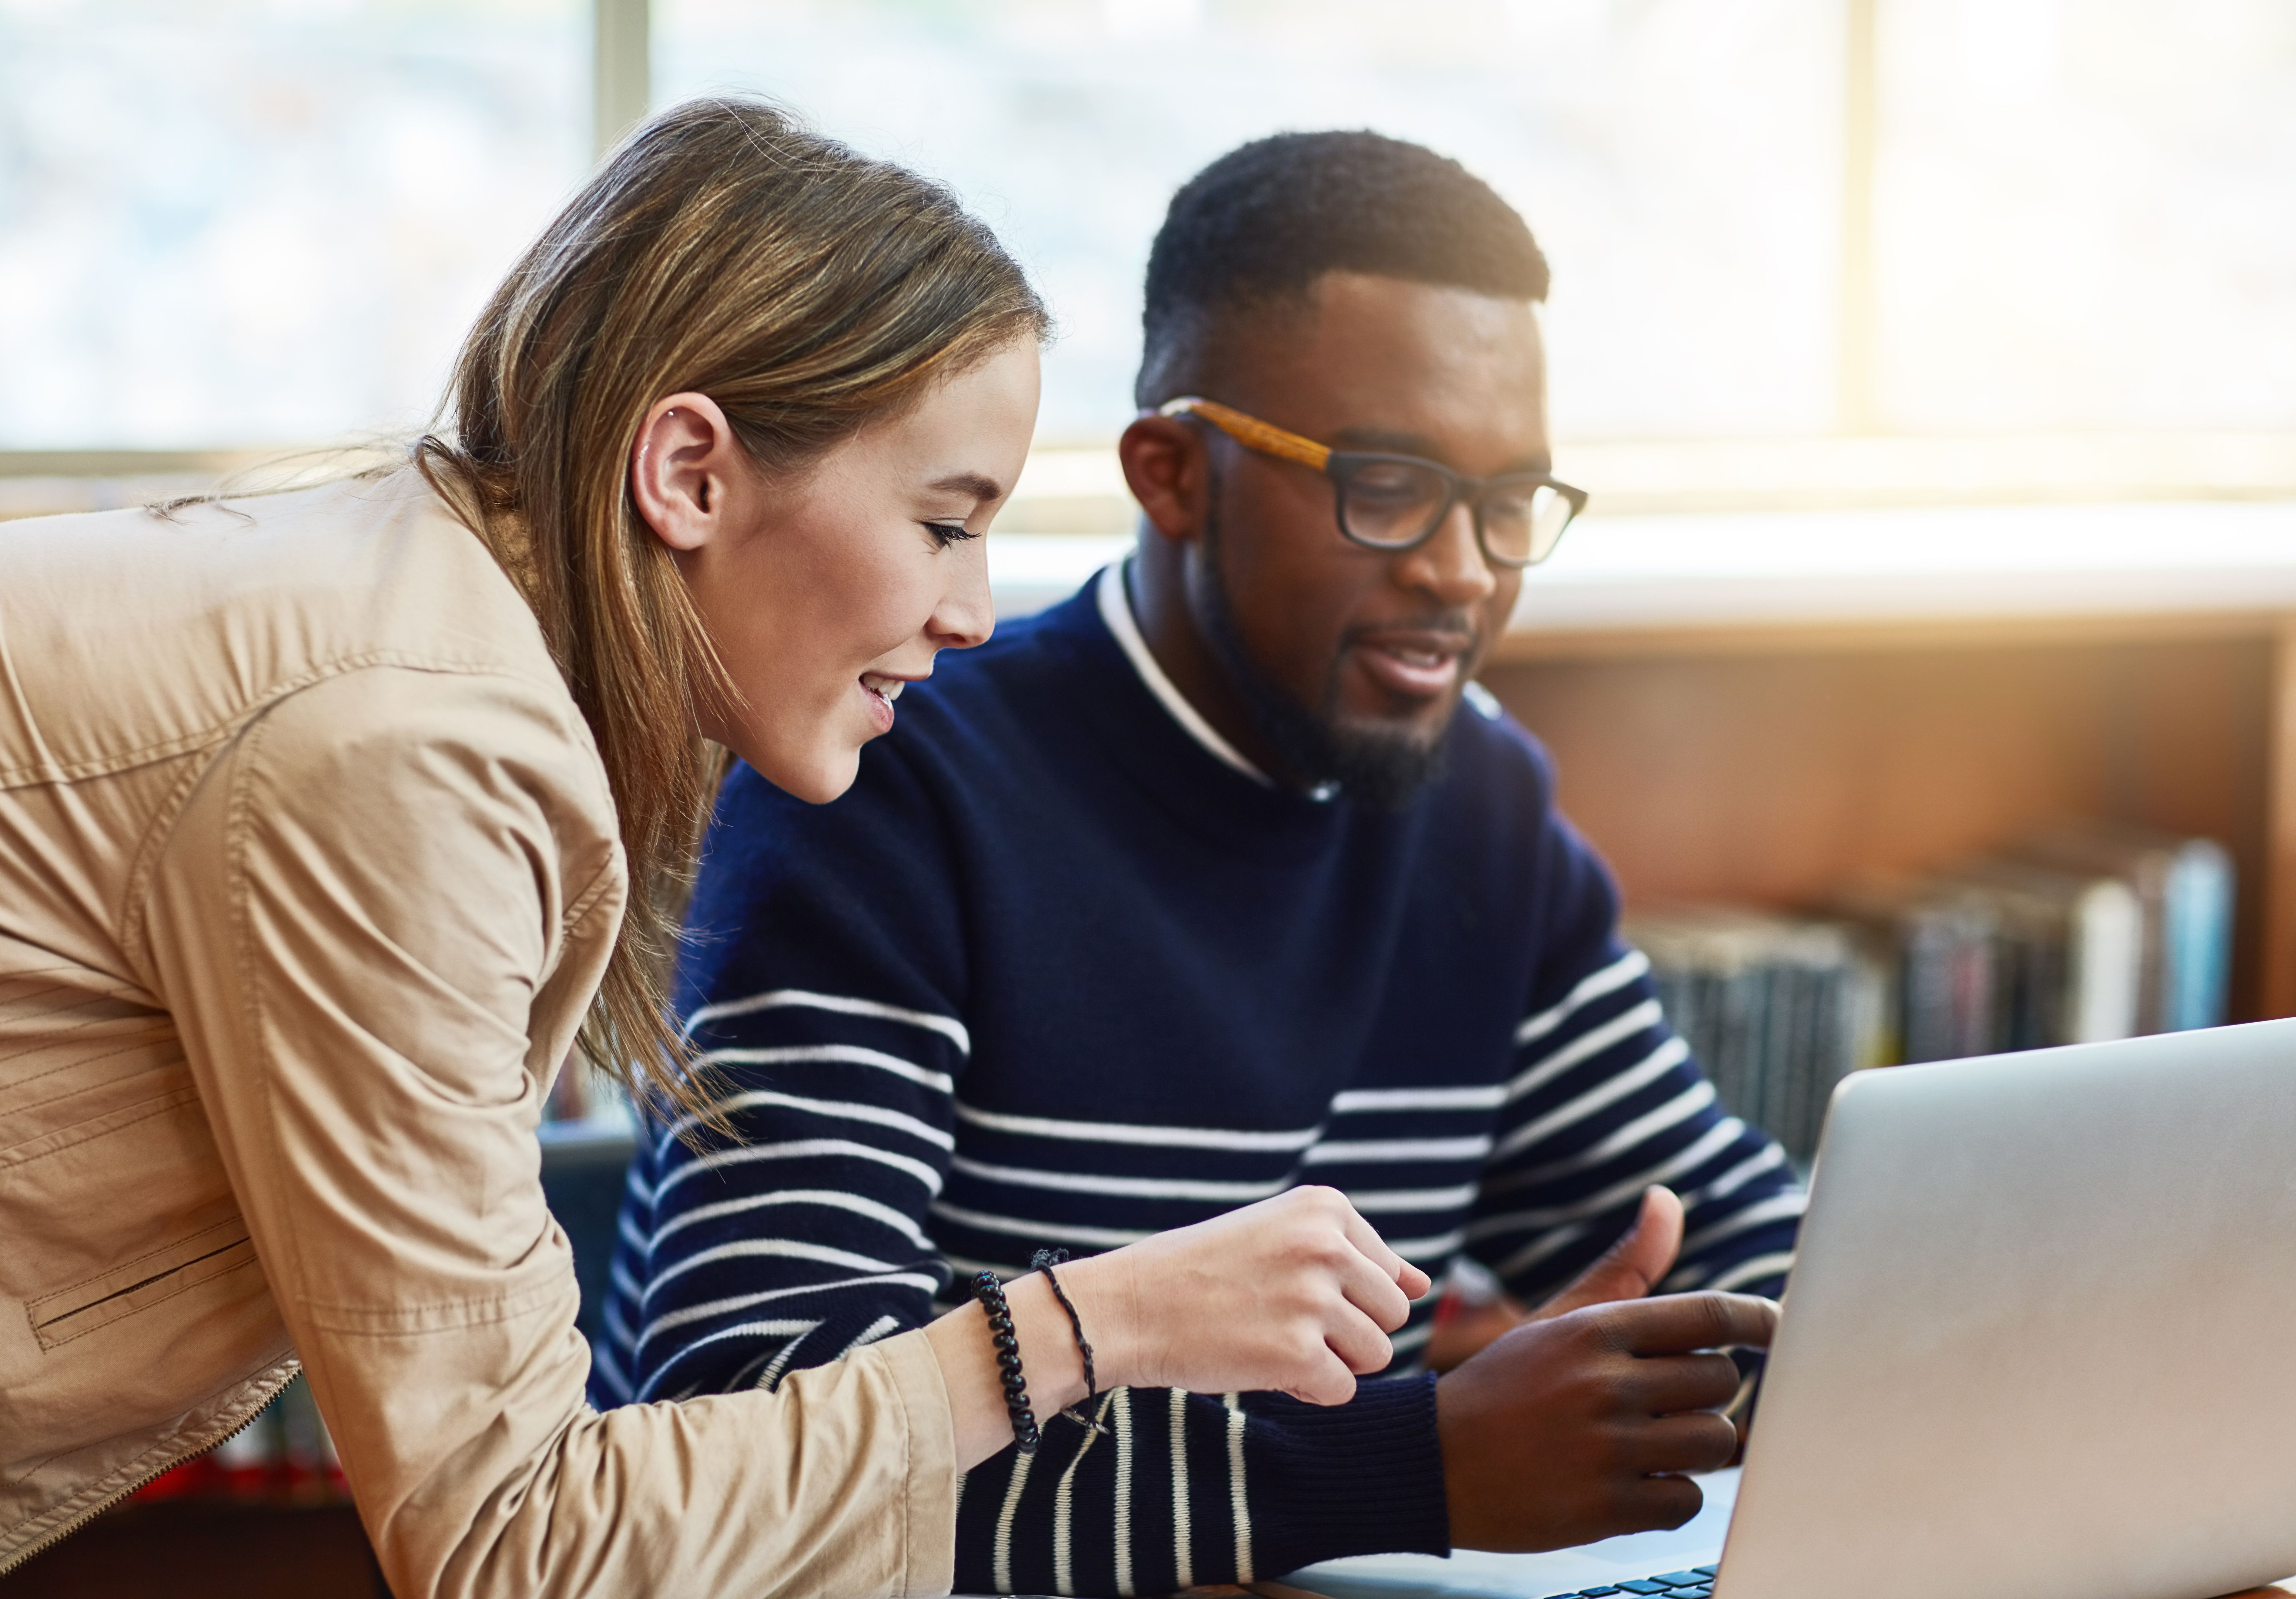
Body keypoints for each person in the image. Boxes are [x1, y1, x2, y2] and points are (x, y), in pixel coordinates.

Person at [0, 101, 1442, 1599]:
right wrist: (1086, 1329)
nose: (974, 613)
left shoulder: (422, 639)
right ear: (690, 474)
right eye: (944, 523)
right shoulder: (407, 751)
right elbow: (521, 1551)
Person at [603, 130, 1801, 1595]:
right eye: (1387, 486)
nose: (1464, 570)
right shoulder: (878, 782)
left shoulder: (1471, 804)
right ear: (1172, 475)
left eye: (1508, 506)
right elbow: (758, 1445)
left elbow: (1731, 1244)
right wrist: (1411, 1465)